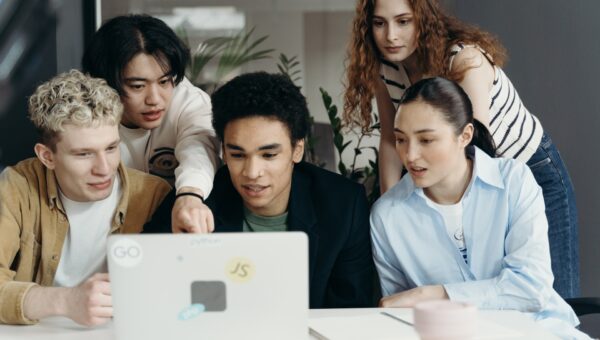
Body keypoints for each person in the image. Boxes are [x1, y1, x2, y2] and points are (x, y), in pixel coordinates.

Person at [344, 0, 579, 298]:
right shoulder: (383, 66)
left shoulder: (465, 60)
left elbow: (473, 143)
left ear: (423, 20)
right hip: (454, 176)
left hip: (522, 166)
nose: (390, 35)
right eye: (379, 23)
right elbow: (392, 138)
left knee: (551, 296)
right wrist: (392, 210)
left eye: (403, 21)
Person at [370, 77, 589, 339]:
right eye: (401, 140)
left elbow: (532, 288)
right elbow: (399, 314)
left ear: (465, 136)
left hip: (539, 332)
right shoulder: (387, 216)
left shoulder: (513, 181)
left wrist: (435, 294)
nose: (410, 155)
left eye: (426, 140)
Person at [0, 70, 172, 326]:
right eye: (83, 154)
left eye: (111, 148)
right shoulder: (17, 187)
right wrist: (67, 301)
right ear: (47, 156)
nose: (105, 168)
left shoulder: (153, 195)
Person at [207, 72, 375, 308]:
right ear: (223, 150)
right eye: (237, 155)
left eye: (269, 155)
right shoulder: (200, 198)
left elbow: (349, 313)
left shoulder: (343, 205)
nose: (252, 172)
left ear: (297, 150)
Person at [82, 14, 220, 234]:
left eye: (165, 81)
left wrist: (190, 194)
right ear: (105, 82)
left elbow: (199, 146)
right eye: (138, 86)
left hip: (171, 225)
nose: (154, 99)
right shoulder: (84, 113)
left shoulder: (189, 101)